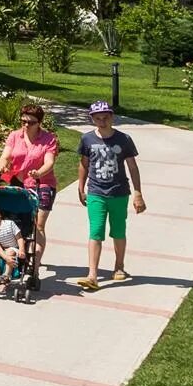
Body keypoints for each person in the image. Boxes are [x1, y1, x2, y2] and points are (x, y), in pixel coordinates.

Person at [74, 99, 144, 291]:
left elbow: (132, 167)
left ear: (112, 117)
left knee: (118, 231)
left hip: (119, 192)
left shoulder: (124, 139)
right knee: (95, 231)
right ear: (92, 119)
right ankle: (93, 275)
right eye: (98, 118)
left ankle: (119, 266)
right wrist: (81, 187)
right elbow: (84, 164)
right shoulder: (87, 139)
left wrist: (138, 193)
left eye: (106, 117)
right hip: (96, 191)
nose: (102, 121)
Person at [0, 101, 61, 261]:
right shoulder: (14, 135)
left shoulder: (48, 139)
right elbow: (5, 155)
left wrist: (38, 173)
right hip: (18, 183)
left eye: (31, 122)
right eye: (23, 121)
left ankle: (35, 266)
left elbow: (49, 162)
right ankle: (18, 253)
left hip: (42, 184)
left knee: (38, 225)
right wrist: (2, 164)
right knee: (17, 222)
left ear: (39, 123)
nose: (26, 125)